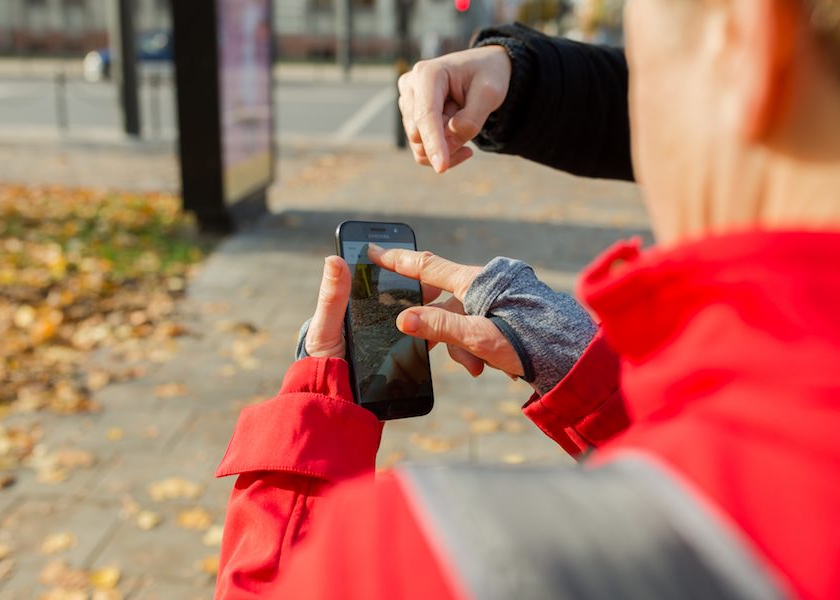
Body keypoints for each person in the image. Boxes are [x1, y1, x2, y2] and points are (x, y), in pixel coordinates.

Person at [214, 0, 840, 598]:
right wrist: (589, 379)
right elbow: (738, 483)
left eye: (638, 70)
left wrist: (308, 427)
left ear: (741, 41)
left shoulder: (444, 558)